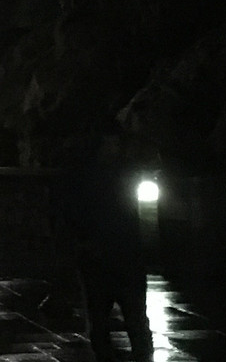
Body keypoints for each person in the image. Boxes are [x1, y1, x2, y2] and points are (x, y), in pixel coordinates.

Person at [63, 128, 154, 362]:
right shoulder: (102, 177)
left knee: (121, 316)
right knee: (113, 316)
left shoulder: (99, 176)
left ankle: (132, 354)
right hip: (108, 253)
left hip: (116, 253)